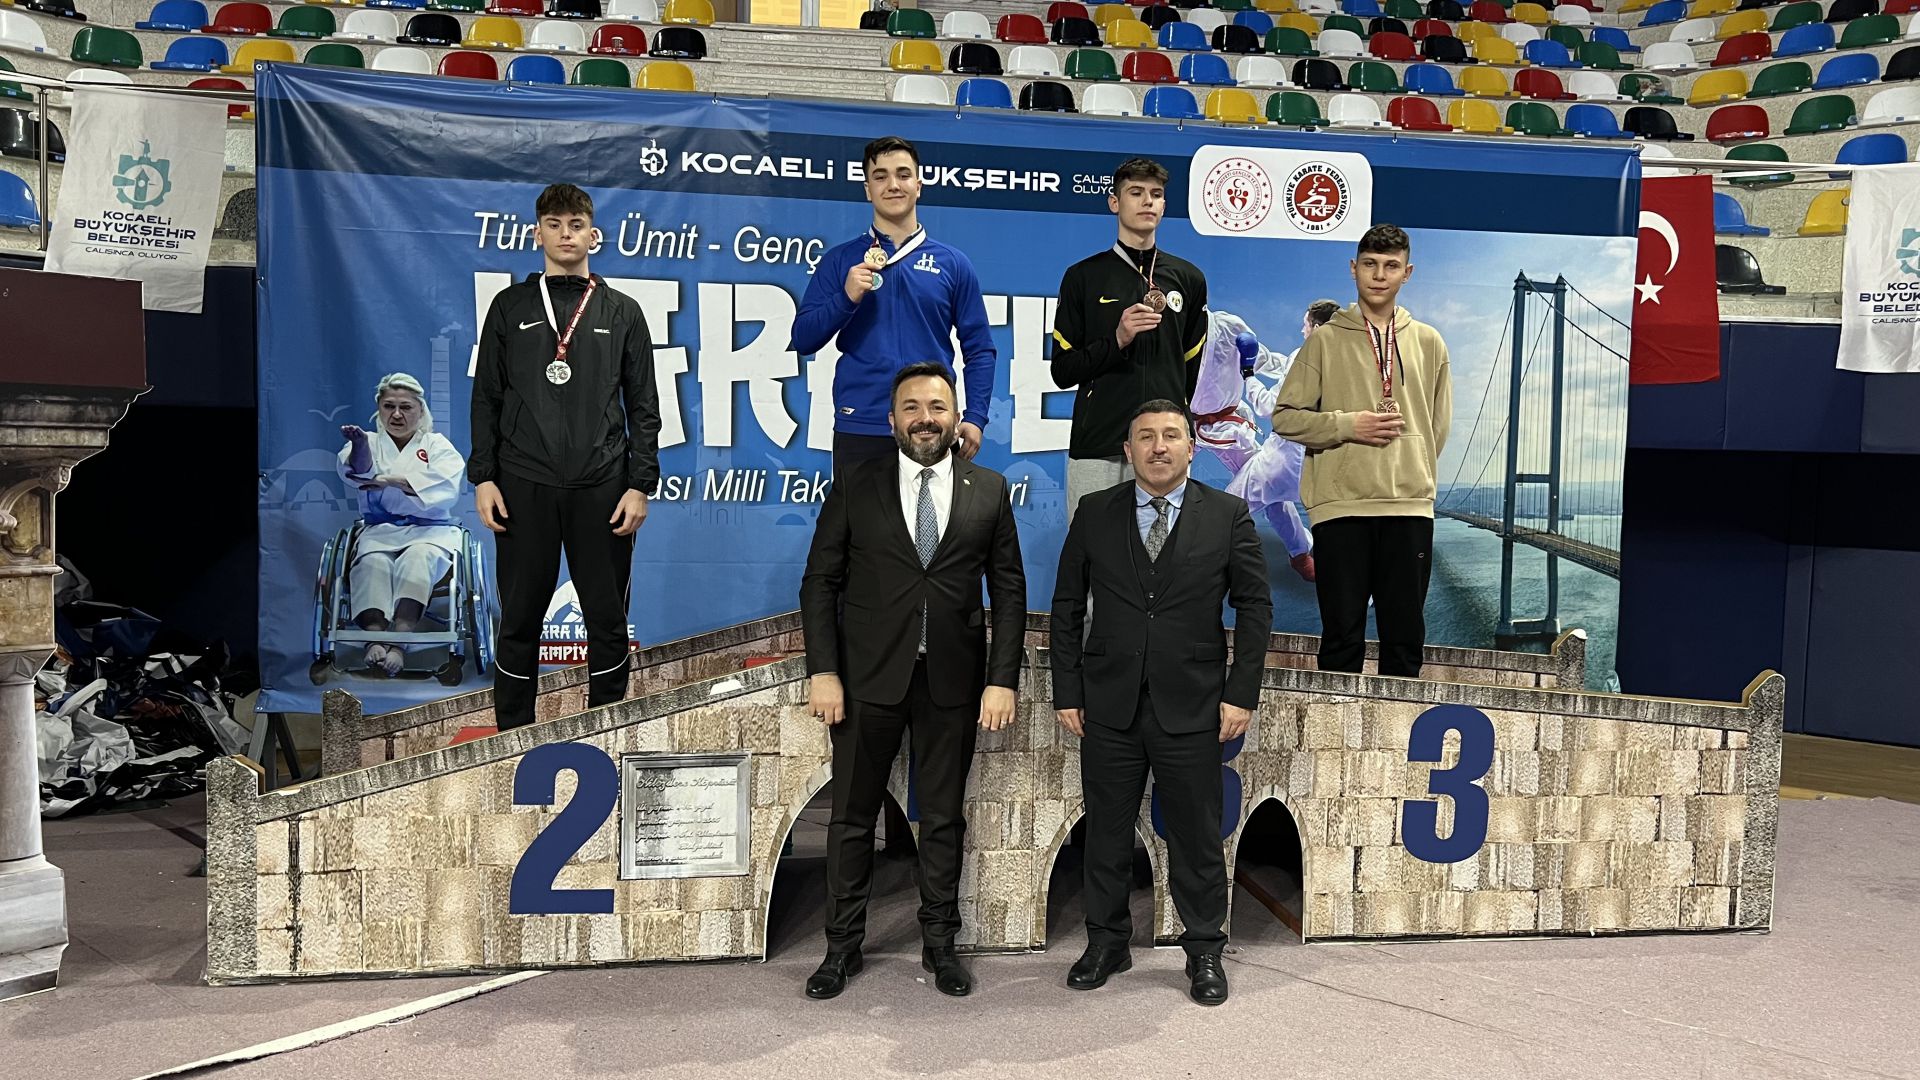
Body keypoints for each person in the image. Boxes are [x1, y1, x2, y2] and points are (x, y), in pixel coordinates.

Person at [798, 361, 1027, 1001]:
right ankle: (841, 949)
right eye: (912, 407)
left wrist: (1002, 679)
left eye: (937, 407)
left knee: (944, 818)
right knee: (852, 819)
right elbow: (820, 583)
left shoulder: (989, 489)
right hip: (865, 680)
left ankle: (940, 945)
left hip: (954, 681)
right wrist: (824, 671)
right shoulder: (856, 484)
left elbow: (1009, 592)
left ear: (955, 417)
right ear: (892, 418)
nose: (925, 418)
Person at [1049, 399, 1272, 1007]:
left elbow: (1255, 607)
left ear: (1191, 448)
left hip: (1195, 706)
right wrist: (1067, 689)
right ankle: (1106, 942)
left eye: (1171, 435)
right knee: (1106, 833)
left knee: (1196, 835)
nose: (1158, 446)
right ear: (1128, 450)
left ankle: (1203, 950)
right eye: (1145, 437)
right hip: (1107, 704)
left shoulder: (1226, 514)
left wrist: (1240, 693)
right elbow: (1066, 605)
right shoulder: (1096, 512)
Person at [468, 183, 659, 730]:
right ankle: (511, 739)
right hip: (522, 483)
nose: (566, 234)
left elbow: (644, 404)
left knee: (607, 618)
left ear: (592, 234)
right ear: (538, 234)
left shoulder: (623, 311)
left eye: (576, 224)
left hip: (603, 487)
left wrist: (639, 484)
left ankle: (607, 731)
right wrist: (484, 477)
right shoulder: (510, 307)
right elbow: (486, 397)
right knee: (520, 618)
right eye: (554, 224)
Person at [1271, 225, 1452, 678]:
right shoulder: (1324, 340)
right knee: (1341, 639)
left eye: (1391, 266)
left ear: (1407, 272)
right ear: (1354, 268)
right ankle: (1332, 728)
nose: (1379, 275)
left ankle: (1399, 729)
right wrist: (1348, 426)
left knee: (1405, 641)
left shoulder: (1429, 341)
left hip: (1408, 506)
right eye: (1370, 264)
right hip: (1340, 508)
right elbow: (1285, 418)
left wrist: (1410, 461)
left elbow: (1437, 427)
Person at [789, 136, 998, 477]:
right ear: (868, 189)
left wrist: (975, 416)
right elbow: (803, 338)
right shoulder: (841, 260)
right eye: (881, 176)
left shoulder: (953, 263)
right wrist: (845, 299)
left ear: (919, 185)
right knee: (858, 515)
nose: (893, 185)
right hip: (862, 424)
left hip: (929, 425)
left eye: (903, 175)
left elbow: (979, 348)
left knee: (931, 515)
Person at [1049, 158, 1209, 517]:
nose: (1148, 201)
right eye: (1136, 193)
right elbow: (1063, 370)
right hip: (1100, 444)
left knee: (1166, 547)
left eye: (1156, 194)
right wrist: (1117, 340)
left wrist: (1177, 427)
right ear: (1114, 202)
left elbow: (1189, 371)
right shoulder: (1083, 277)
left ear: (1164, 205)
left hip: (1164, 447)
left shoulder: (1189, 278)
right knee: (1093, 545)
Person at [335, 373, 467, 677]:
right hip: (379, 530)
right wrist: (359, 444)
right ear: (379, 409)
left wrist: (392, 480)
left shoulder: (436, 445)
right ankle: (374, 638)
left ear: (420, 410)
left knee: (417, 559)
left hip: (429, 531)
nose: (396, 414)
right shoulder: (369, 441)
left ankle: (399, 643)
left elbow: (445, 487)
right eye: (389, 406)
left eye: (405, 407)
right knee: (372, 563)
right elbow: (359, 471)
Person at [1191, 308, 1315, 580]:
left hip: (1228, 424)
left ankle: (1299, 552)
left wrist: (1297, 367)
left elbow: (1263, 359)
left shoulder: (1227, 326)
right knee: (1164, 486)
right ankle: (1167, 556)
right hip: (1181, 423)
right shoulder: (1162, 332)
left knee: (1270, 492)